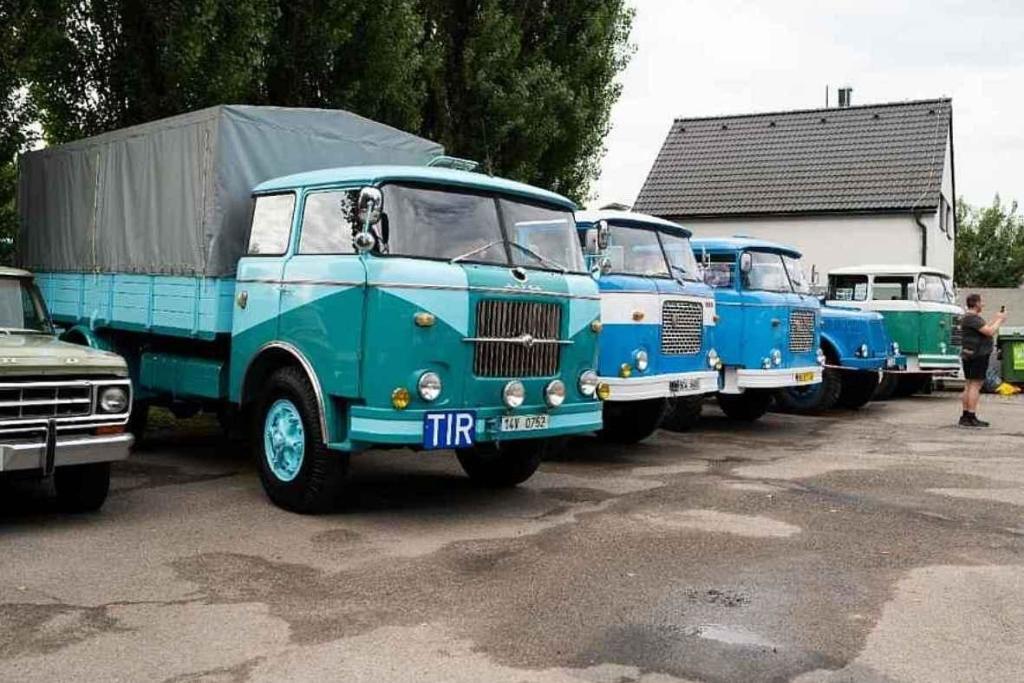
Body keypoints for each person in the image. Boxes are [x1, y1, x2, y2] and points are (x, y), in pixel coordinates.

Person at [959, 293, 1007, 427]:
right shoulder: (972, 318)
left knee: (969, 385)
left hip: (969, 354)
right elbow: (990, 332)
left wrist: (995, 318)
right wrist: (1000, 320)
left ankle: (965, 416)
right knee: (975, 385)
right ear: (976, 303)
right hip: (978, 355)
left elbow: (984, 328)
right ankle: (971, 416)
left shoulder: (969, 318)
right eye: (982, 302)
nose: (983, 305)